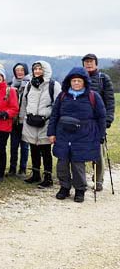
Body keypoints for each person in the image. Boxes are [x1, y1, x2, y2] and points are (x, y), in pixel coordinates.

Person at [48, 67, 106, 203]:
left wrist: (100, 134)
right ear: (69, 82)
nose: (76, 83)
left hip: (84, 135)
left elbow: (101, 117)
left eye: (79, 81)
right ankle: (64, 187)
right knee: (62, 163)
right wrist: (51, 133)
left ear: (84, 82)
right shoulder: (62, 96)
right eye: (73, 80)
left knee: (78, 164)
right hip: (63, 134)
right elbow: (54, 115)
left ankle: (80, 190)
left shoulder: (93, 96)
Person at [18, 61, 61, 188]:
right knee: (34, 149)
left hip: (46, 122)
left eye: (39, 69)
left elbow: (58, 105)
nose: (37, 71)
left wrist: (54, 122)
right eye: (35, 69)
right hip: (30, 121)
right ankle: (35, 174)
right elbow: (24, 102)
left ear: (45, 70)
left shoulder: (54, 85)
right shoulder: (30, 85)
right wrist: (22, 118)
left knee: (46, 151)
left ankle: (48, 177)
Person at [82, 53, 115, 191]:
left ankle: (98, 180)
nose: (89, 64)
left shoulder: (103, 79)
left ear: (96, 63)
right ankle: (80, 180)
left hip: (97, 122)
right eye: (86, 62)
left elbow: (110, 100)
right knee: (80, 151)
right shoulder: (79, 78)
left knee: (97, 152)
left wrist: (108, 119)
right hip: (81, 121)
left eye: (91, 62)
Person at [9, 62, 31, 177]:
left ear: (25, 71)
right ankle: (12, 168)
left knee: (24, 146)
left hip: (25, 119)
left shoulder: (30, 84)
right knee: (13, 145)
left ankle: (22, 169)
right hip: (13, 120)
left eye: (22, 70)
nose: (19, 72)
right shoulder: (11, 85)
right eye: (17, 70)